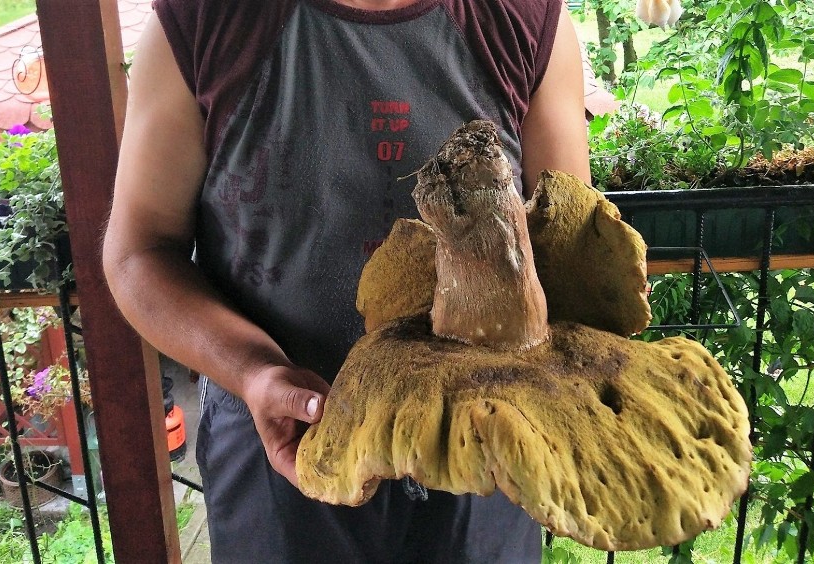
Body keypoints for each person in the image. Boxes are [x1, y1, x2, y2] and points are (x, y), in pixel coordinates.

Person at [102, 0, 590, 561]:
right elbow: (139, 251)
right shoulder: (202, 19)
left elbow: (568, 248)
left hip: (487, 455)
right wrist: (254, 370)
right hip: (278, 450)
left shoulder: (525, 19)